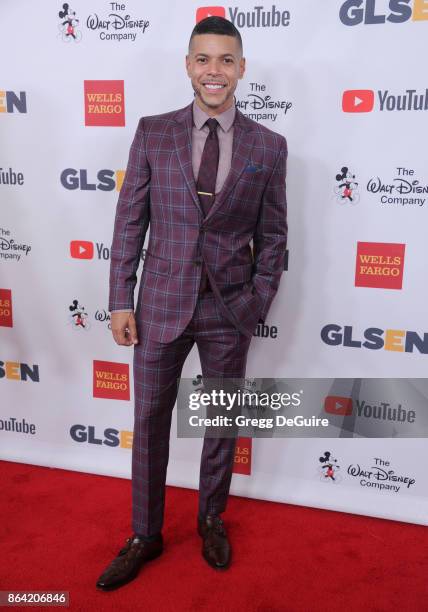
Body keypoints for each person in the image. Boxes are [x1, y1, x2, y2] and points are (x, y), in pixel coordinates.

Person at [96, 15, 287, 591]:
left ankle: (211, 518)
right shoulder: (153, 132)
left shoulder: (268, 145)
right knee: (149, 420)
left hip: (231, 311)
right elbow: (130, 220)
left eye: (226, 61)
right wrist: (119, 300)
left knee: (221, 421)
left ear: (242, 69)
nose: (214, 72)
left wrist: (255, 301)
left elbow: (275, 236)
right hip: (159, 307)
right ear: (188, 65)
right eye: (204, 59)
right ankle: (144, 534)